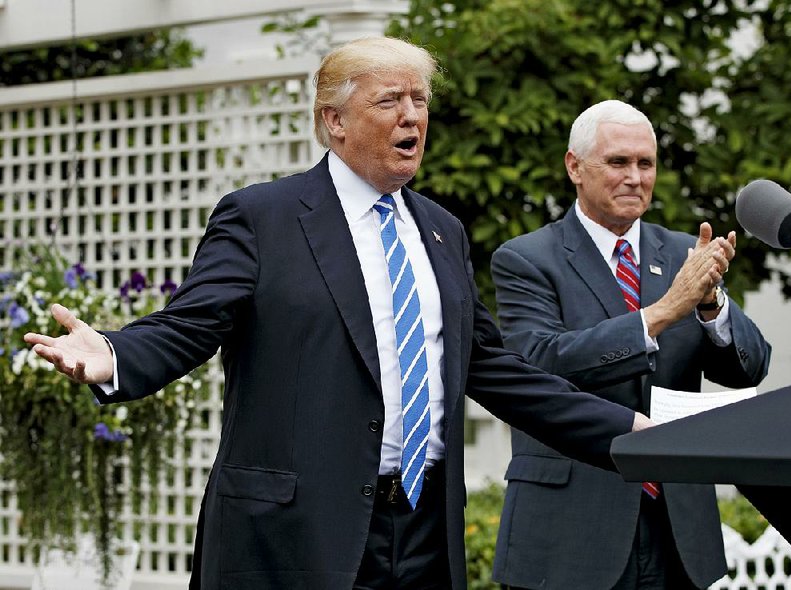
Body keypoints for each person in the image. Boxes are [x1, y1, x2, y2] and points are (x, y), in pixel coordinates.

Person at [24, 40, 649, 590]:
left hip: (426, 530)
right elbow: (191, 323)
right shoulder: (261, 218)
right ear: (334, 121)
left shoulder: (442, 231)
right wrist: (112, 353)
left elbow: (493, 369)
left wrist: (631, 433)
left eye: (420, 100)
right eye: (390, 101)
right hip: (295, 534)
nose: (412, 116)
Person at [490, 99, 771, 590]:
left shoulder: (686, 252)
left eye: (646, 164)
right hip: (571, 526)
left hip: (678, 528)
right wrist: (662, 313)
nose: (635, 177)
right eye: (618, 162)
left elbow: (750, 368)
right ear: (574, 167)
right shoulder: (526, 259)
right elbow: (538, 365)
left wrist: (710, 308)